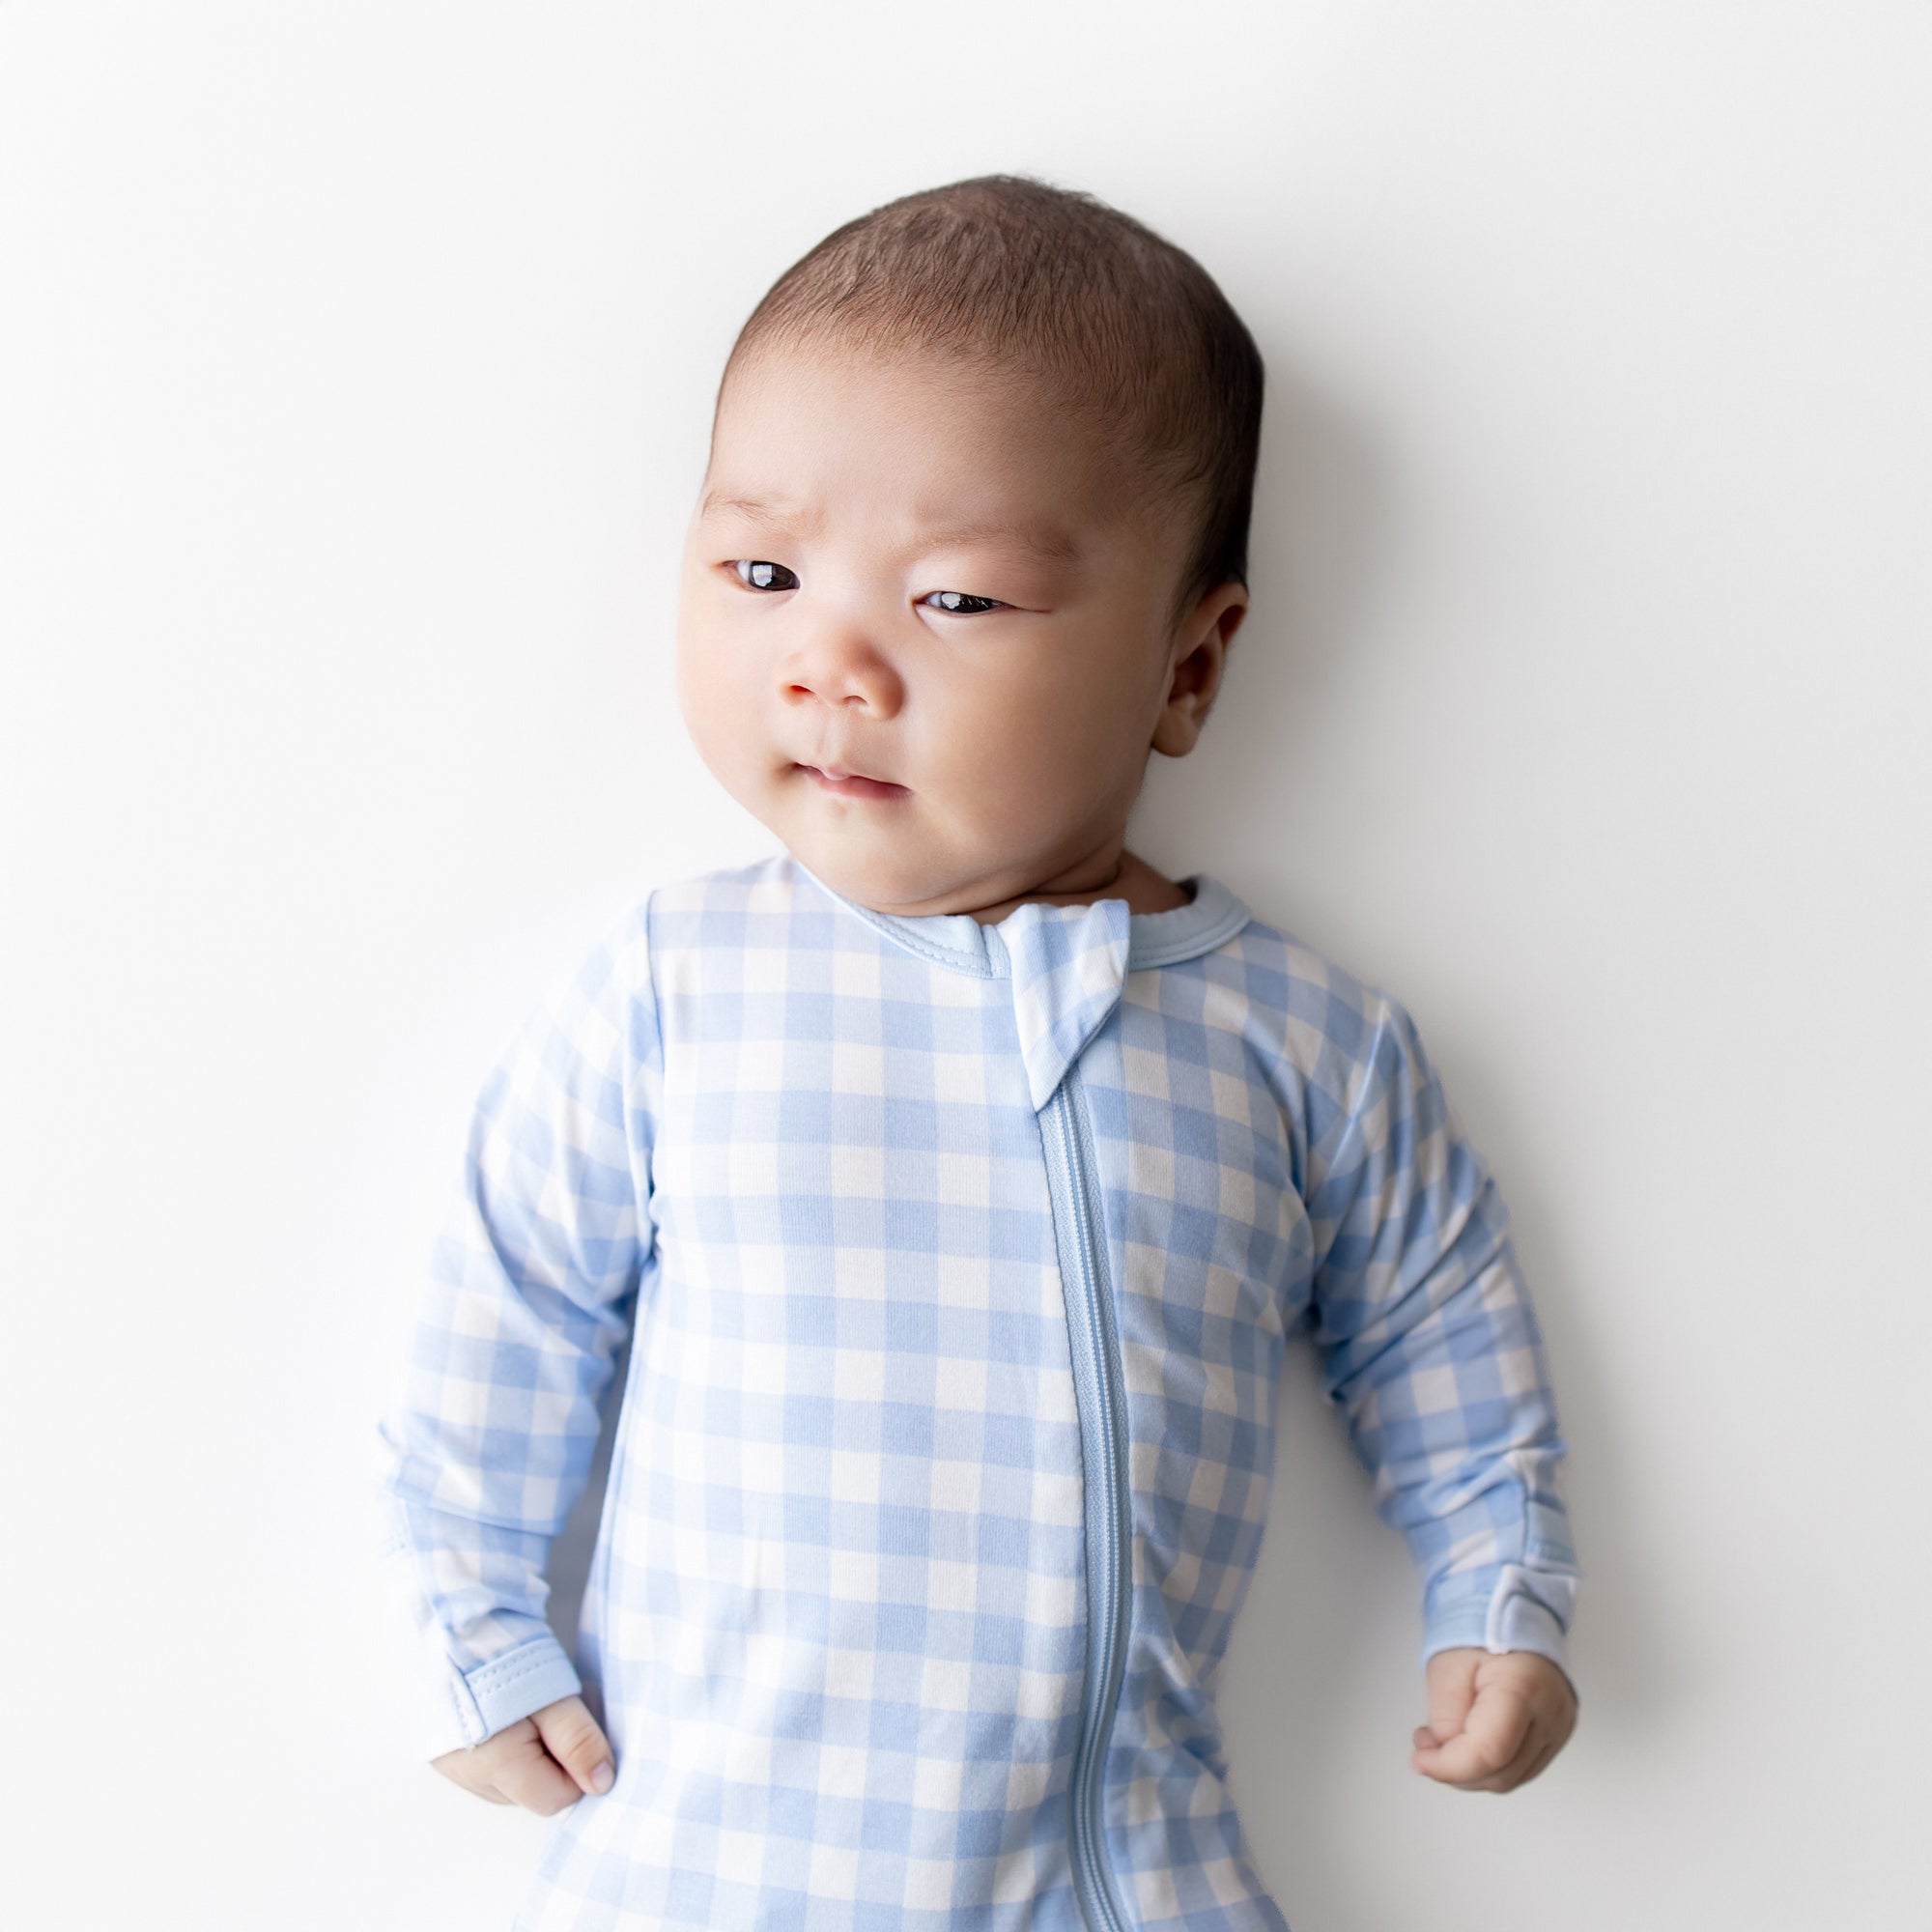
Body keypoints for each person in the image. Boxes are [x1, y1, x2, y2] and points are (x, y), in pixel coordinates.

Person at [374, 174, 1581, 1931]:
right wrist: (465, 1624)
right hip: (702, 1871)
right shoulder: (679, 987)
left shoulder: (1302, 1045)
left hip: (1125, 1874)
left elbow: (1442, 1335)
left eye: (957, 602)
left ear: (1188, 665)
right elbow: (501, 1318)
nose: (832, 664)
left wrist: (1504, 1595)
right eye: (764, 572)